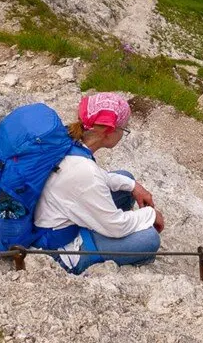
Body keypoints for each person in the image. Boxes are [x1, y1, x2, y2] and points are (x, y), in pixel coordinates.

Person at [32, 93, 164, 273]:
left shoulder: (68, 142)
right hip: (62, 249)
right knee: (149, 239)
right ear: (109, 131)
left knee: (125, 179)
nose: (122, 134)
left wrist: (134, 186)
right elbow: (116, 226)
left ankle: (106, 231)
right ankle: (96, 251)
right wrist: (150, 215)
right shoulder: (85, 173)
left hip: (54, 218)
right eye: (123, 130)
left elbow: (100, 177)